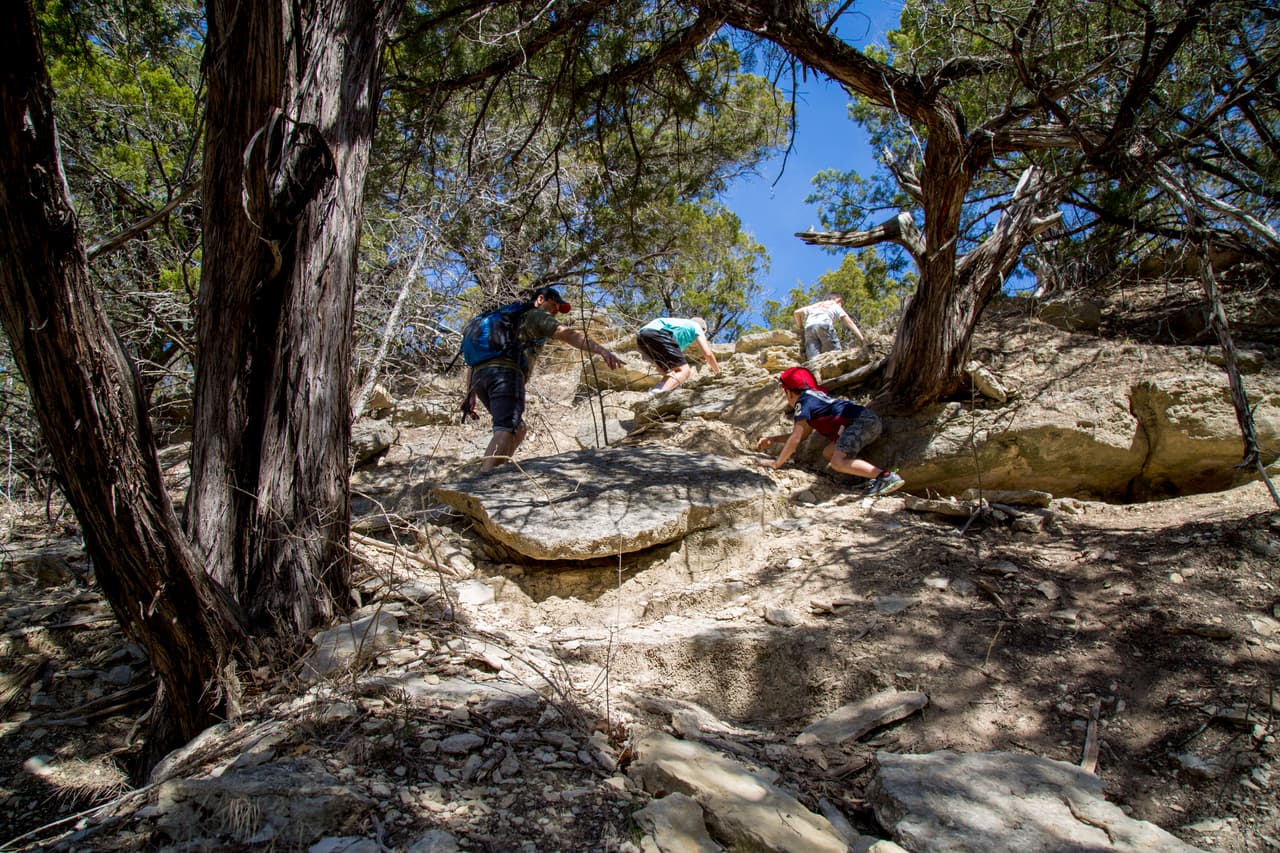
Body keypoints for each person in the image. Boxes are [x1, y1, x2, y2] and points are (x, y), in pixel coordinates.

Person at [468, 286, 623, 471]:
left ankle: (496, 471)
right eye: (555, 305)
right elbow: (568, 334)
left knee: (518, 429)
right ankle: (484, 479)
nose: (556, 311)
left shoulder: (505, 322)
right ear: (541, 299)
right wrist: (601, 350)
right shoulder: (534, 316)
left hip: (480, 377)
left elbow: (474, 362)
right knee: (506, 428)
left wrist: (469, 394)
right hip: (506, 374)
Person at [755, 366, 904, 497]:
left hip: (859, 422)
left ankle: (885, 477)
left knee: (837, 462)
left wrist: (776, 463)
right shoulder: (814, 398)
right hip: (865, 421)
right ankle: (866, 477)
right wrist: (774, 439)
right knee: (829, 452)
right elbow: (803, 435)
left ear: (789, 392)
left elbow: (795, 438)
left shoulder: (803, 402)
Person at [635, 316, 721, 394]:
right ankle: (659, 395)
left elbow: (659, 368)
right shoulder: (696, 326)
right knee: (685, 370)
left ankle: (654, 392)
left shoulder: (680, 328)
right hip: (658, 333)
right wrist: (718, 372)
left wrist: (665, 371)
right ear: (703, 330)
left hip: (641, 337)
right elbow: (708, 354)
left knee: (673, 371)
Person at [794, 294, 868, 360]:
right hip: (824, 325)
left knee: (813, 359)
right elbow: (849, 322)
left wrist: (801, 328)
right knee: (836, 355)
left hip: (809, 329)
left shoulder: (816, 305)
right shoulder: (834, 304)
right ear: (838, 300)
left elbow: (796, 313)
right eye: (841, 304)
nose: (841, 306)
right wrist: (862, 339)